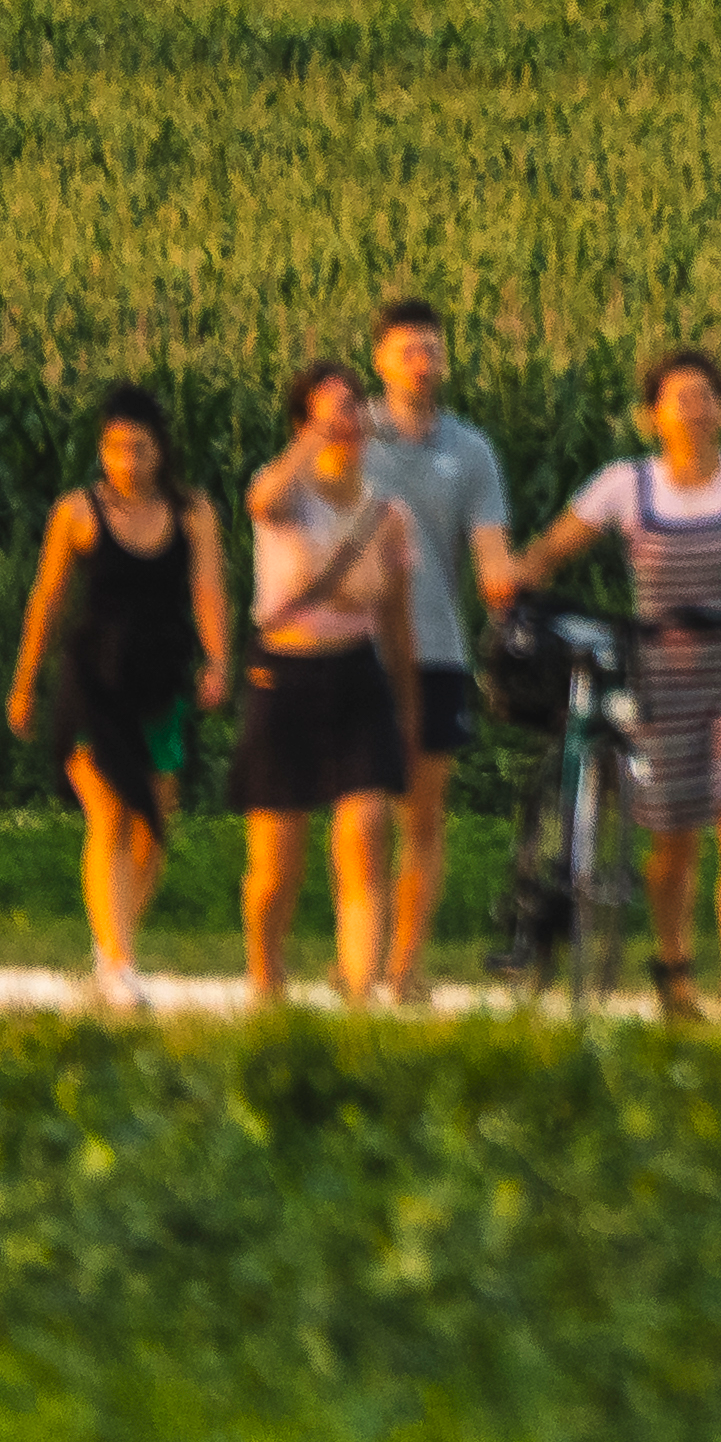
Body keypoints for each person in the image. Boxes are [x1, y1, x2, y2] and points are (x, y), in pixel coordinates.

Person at [510, 348, 721, 1012]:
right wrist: (516, 586)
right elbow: (554, 548)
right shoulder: (624, 486)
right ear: (652, 416)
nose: (694, 409)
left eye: (706, 396)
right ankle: (673, 967)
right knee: (672, 840)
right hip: (661, 679)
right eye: (680, 398)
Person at [0, 386, 227, 1006]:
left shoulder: (193, 512)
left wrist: (217, 659)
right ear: (101, 450)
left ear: (162, 450)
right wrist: (24, 683)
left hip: (161, 679)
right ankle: (120, 963)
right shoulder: (77, 512)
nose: (128, 460)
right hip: (92, 680)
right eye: (116, 448)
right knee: (109, 815)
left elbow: (208, 589)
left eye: (141, 448)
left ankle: (110, 950)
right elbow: (47, 599)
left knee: (155, 822)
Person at [235, 356, 429, 1007]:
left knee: (366, 832)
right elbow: (262, 500)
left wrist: (409, 710)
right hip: (284, 674)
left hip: (356, 674)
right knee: (276, 861)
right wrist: (310, 441)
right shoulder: (287, 494)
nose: (347, 420)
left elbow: (397, 620)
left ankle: (358, 990)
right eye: (330, 409)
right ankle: (267, 978)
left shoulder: (387, 516)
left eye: (353, 407)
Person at [362, 294, 521, 998]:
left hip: (436, 649)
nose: (422, 363)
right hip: (358, 650)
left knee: (421, 815)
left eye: (431, 350)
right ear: (380, 361)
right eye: (408, 351)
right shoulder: (352, 436)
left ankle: (407, 964)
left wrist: (508, 587)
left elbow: (491, 551)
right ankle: (359, 952)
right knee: (362, 813)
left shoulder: (471, 450)